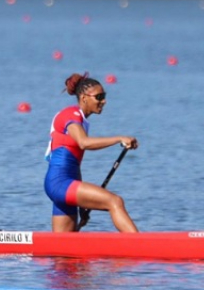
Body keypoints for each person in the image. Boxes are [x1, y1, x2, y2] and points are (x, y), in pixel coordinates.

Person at [44, 72, 139, 233]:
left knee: (63, 251)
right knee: (114, 201)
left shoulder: (81, 121)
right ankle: (141, 246)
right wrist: (119, 138)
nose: (104, 101)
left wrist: (82, 205)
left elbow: (74, 164)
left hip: (64, 184)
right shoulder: (71, 114)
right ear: (84, 97)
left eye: (104, 96)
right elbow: (84, 143)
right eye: (99, 96)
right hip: (60, 184)